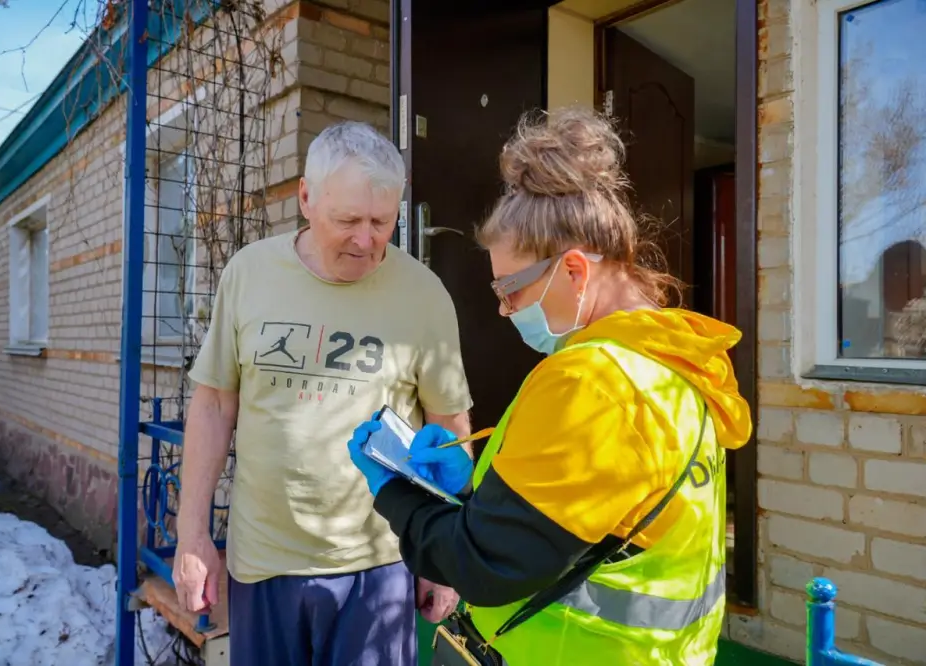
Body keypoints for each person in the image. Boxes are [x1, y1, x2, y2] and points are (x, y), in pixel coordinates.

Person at [347, 107, 753, 665]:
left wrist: (395, 492)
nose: (502, 307)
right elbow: (591, 528)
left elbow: (485, 567)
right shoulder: (671, 364)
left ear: (574, 272)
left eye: (510, 288)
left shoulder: (595, 383)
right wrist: (470, 495)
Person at [173, 121, 473, 665]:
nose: (367, 240)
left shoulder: (425, 295)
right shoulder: (249, 273)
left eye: (383, 221)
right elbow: (215, 405)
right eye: (349, 220)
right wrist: (192, 536)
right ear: (306, 199)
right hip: (264, 560)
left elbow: (449, 426)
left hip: (378, 565)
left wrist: (441, 554)